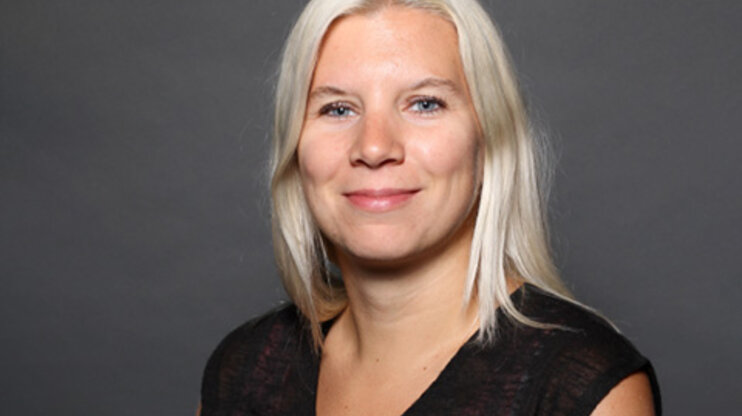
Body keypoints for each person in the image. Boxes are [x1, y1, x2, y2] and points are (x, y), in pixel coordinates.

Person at [199, 0, 661, 415]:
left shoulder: (580, 392)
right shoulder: (242, 370)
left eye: (424, 103)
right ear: (296, 150)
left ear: (489, 140)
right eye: (338, 109)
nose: (375, 147)